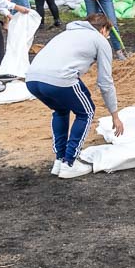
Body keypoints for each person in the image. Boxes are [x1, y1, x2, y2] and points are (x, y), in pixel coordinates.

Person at [27, 13, 125, 180]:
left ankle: (59, 160)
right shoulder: (99, 40)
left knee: (61, 110)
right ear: (103, 29)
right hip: (60, 78)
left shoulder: (66, 33)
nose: (107, 37)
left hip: (32, 79)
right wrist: (115, 115)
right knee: (86, 112)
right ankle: (69, 163)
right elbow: (105, 82)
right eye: (108, 33)